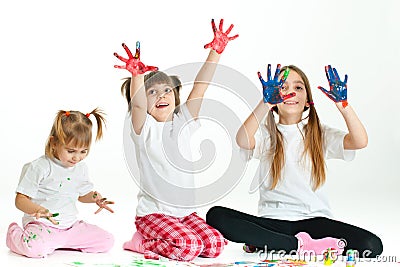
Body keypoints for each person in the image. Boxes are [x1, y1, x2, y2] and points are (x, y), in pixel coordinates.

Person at [206, 64, 383, 258]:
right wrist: (264, 103)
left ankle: (266, 242)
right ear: (274, 99)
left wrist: (344, 106)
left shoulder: (319, 134)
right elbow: (242, 139)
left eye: (298, 87)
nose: (290, 91)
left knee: (372, 245)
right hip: (273, 221)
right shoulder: (267, 136)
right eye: (282, 87)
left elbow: (359, 141)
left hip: (315, 221)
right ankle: (297, 245)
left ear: (307, 101)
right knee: (216, 215)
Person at [113, 19, 238, 261]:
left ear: (175, 96)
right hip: (154, 215)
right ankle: (142, 241)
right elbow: (137, 103)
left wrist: (216, 52)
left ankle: (174, 236)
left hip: (184, 214)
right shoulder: (143, 127)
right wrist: (137, 76)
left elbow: (201, 87)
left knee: (214, 246)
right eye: (153, 92)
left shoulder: (184, 123)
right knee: (189, 248)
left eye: (167, 90)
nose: (161, 95)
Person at [6, 108, 115, 258]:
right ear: (54, 143)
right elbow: (20, 200)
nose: (77, 158)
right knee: (34, 249)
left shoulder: (80, 168)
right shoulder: (40, 167)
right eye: (71, 151)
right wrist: (38, 209)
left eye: (83, 151)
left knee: (107, 241)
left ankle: (60, 243)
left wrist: (95, 197)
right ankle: (14, 234)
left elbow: (82, 195)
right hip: (43, 226)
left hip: (70, 227)